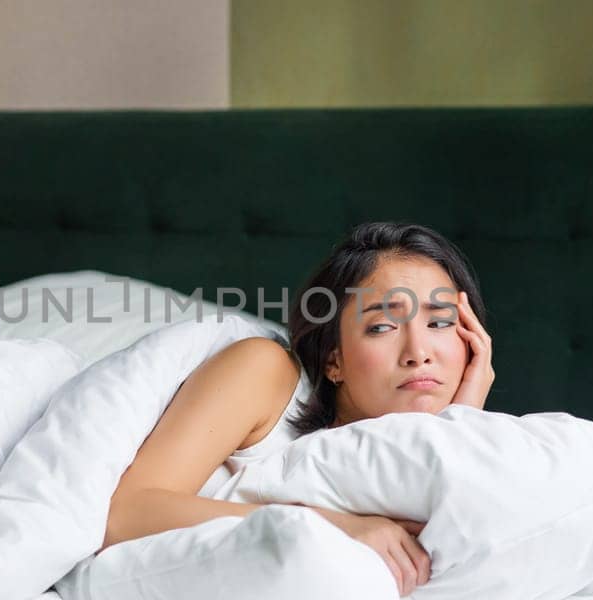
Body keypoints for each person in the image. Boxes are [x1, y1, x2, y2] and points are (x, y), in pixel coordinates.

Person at [103, 222, 495, 596]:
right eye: (381, 327)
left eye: (441, 323)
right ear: (333, 361)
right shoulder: (266, 371)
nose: (419, 353)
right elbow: (124, 514)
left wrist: (460, 426)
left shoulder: (470, 450)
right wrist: (333, 527)